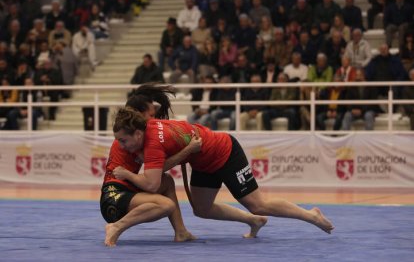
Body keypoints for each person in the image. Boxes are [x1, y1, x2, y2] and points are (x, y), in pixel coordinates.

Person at [110, 108, 334, 244]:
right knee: (202, 210)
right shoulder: (147, 127)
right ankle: (253, 222)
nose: (122, 146)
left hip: (225, 152)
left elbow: (151, 184)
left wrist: (127, 173)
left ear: (138, 133)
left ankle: (311, 215)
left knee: (258, 204)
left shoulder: (152, 144)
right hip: (203, 162)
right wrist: (185, 152)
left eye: (123, 140)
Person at [101, 84, 197, 246]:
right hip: (113, 198)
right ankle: (116, 227)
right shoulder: (131, 140)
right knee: (166, 205)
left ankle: (181, 231)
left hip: (126, 189)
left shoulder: (137, 136)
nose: (154, 120)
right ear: (139, 116)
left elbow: (159, 169)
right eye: (151, 116)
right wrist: (187, 150)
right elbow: (154, 180)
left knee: (166, 181)